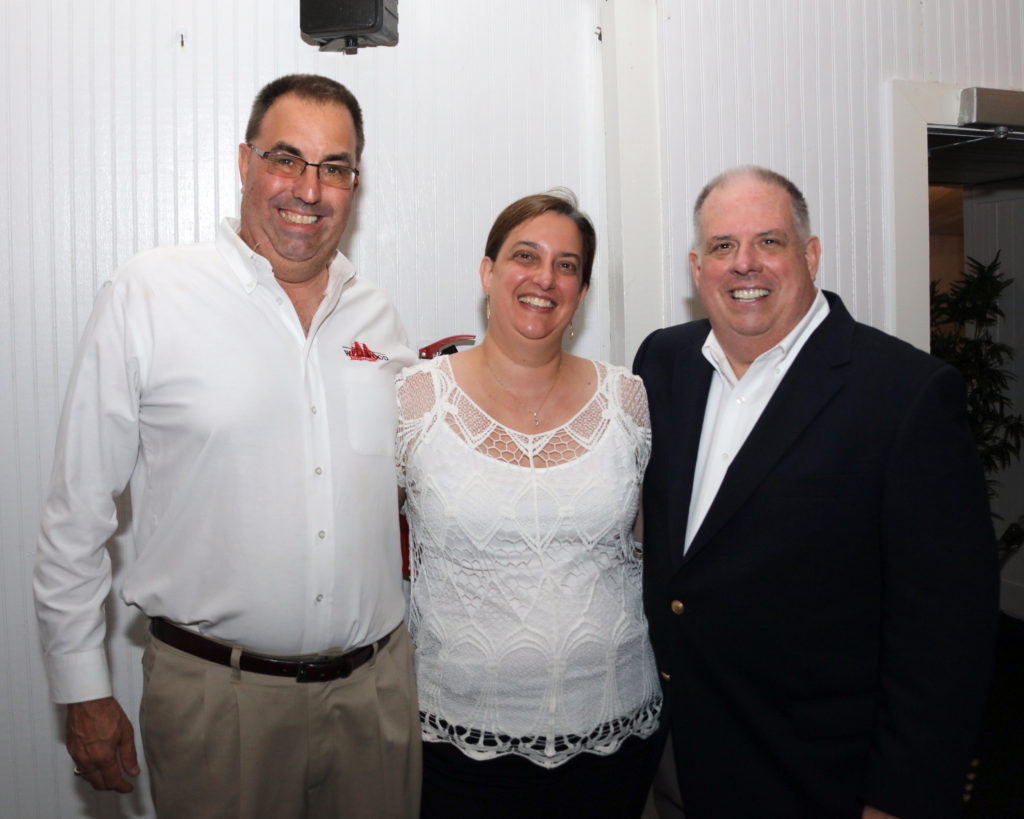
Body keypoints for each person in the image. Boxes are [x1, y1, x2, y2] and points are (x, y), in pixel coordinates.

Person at [34, 74, 420, 818]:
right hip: (219, 705)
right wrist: (83, 687)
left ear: (355, 185)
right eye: (287, 158)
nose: (309, 189)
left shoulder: (378, 315)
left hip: (377, 698)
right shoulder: (147, 295)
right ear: (245, 163)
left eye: (334, 167)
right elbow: (76, 513)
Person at [634, 165, 998, 819]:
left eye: (769, 242)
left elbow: (946, 639)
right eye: (722, 246)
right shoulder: (664, 363)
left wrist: (898, 801)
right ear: (696, 266)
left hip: (814, 782)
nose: (744, 264)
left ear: (811, 254)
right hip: (672, 764)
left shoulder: (905, 395)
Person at [395, 191, 663, 818]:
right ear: (488, 271)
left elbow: (652, 543)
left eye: (567, 265)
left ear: (583, 290)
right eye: (526, 256)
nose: (545, 278)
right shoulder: (413, 399)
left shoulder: (628, 400)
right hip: (458, 742)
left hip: (614, 733)